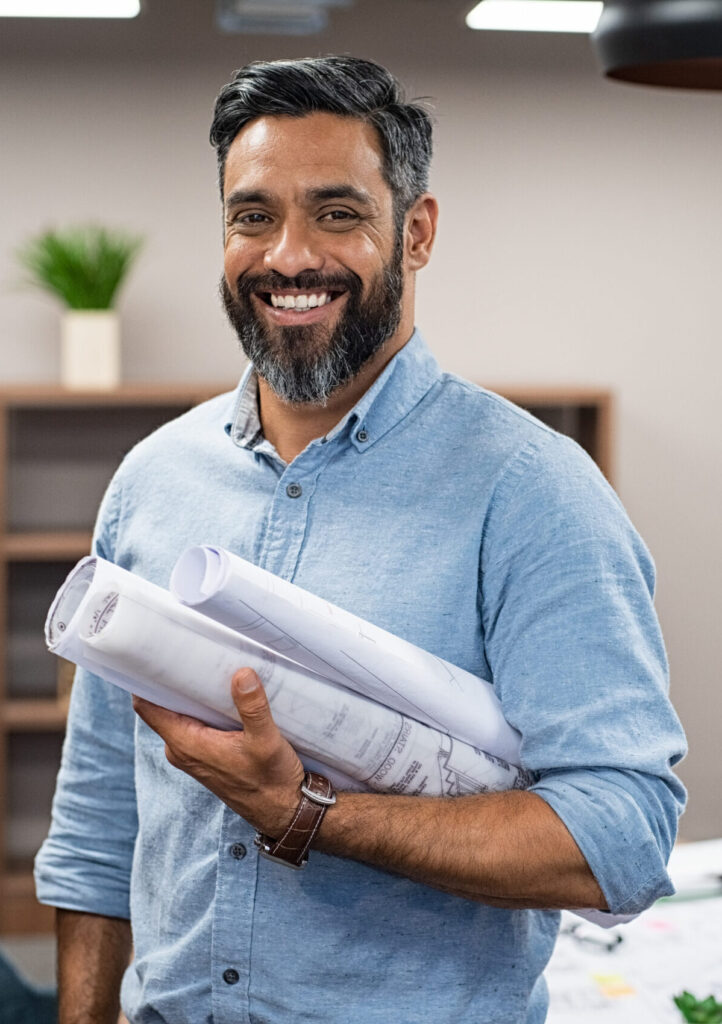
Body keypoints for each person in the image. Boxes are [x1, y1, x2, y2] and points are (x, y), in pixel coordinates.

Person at [35, 56, 686, 1024]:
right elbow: (98, 819)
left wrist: (309, 814)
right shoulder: (154, 478)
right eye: (252, 216)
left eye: (336, 213)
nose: (288, 255)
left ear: (415, 231)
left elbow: (620, 837)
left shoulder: (532, 492)